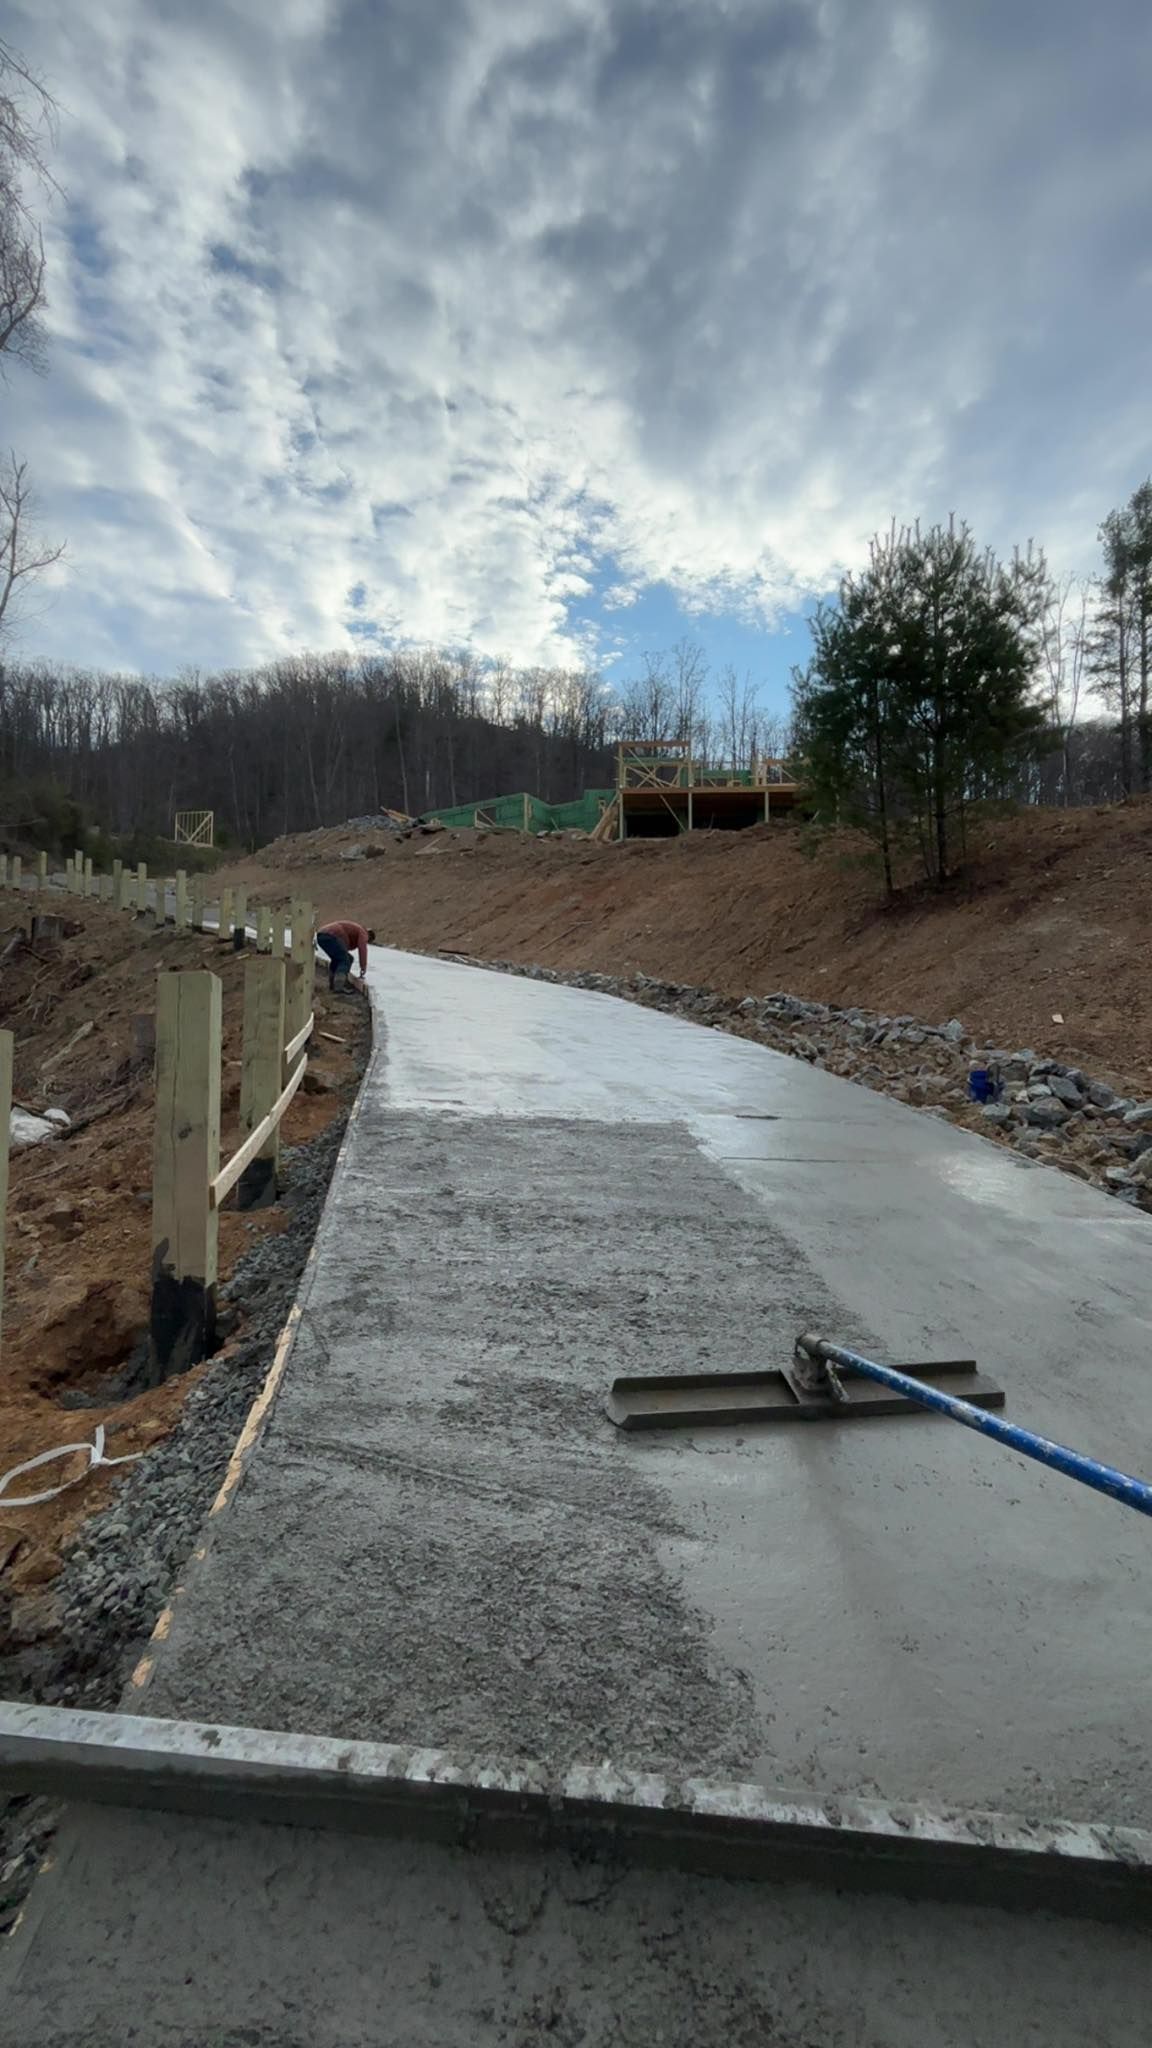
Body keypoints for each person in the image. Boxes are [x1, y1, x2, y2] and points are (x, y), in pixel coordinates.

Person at [316, 918, 376, 993]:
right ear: (369, 937)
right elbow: (362, 948)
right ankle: (339, 986)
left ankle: (333, 984)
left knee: (338, 959)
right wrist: (363, 966)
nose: (366, 942)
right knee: (344, 960)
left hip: (321, 935)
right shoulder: (363, 933)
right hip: (331, 935)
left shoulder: (356, 929)